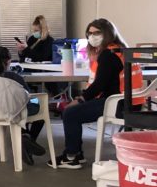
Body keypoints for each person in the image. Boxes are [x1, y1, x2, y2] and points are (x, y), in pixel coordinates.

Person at [51, 18, 142, 169]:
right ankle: (76, 154)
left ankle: (71, 156)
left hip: (118, 105)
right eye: (89, 33)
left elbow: (99, 85)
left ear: (107, 33)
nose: (92, 36)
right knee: (74, 111)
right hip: (133, 104)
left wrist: (80, 99)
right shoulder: (121, 50)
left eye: (97, 33)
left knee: (70, 112)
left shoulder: (109, 55)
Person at [0, 44, 46, 165]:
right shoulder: (13, 77)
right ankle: (27, 140)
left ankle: (25, 140)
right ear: (7, 61)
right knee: (39, 111)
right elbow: (26, 96)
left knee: (20, 110)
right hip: (15, 111)